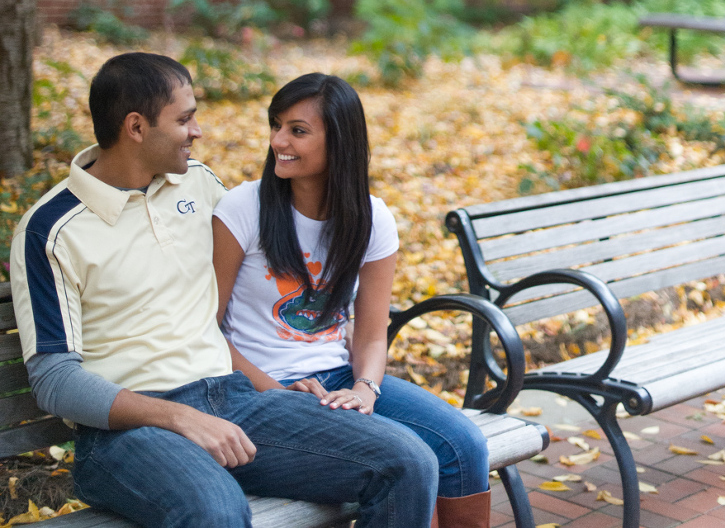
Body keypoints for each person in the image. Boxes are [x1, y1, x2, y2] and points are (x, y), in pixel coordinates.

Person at [10, 53, 438, 528]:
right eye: (185, 118)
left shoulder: (199, 183)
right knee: (216, 511)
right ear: (136, 127)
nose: (198, 131)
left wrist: (277, 384)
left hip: (233, 400)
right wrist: (176, 417)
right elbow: (54, 380)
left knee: (407, 461)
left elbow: (258, 271)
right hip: (126, 432)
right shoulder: (52, 230)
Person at [212, 72, 491, 528]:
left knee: (464, 444)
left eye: (297, 130)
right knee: (409, 459)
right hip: (256, 390)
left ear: (339, 142)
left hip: (338, 380)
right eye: (276, 124)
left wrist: (365, 389)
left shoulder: (372, 218)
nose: (278, 140)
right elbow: (205, 329)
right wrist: (277, 391)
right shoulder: (244, 208)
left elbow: (371, 335)